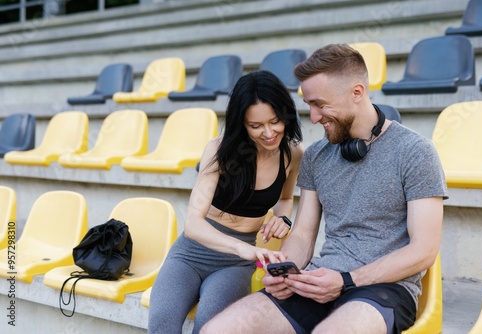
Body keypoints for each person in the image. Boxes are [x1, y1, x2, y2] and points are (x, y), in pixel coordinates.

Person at [201, 43, 448, 334]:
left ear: (357, 93)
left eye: (321, 104)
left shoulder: (415, 151)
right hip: (319, 280)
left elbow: (424, 250)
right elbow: (304, 234)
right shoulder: (317, 155)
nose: (314, 117)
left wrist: (347, 280)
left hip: (384, 289)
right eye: (309, 105)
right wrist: (287, 272)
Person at [148, 70, 304, 334]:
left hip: (235, 264)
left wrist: (283, 218)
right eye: (255, 126)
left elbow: (286, 198)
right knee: (162, 326)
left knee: (210, 327)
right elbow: (194, 224)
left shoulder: (293, 152)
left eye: (276, 121)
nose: (268, 132)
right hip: (190, 253)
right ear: (241, 124)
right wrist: (241, 248)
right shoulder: (219, 149)